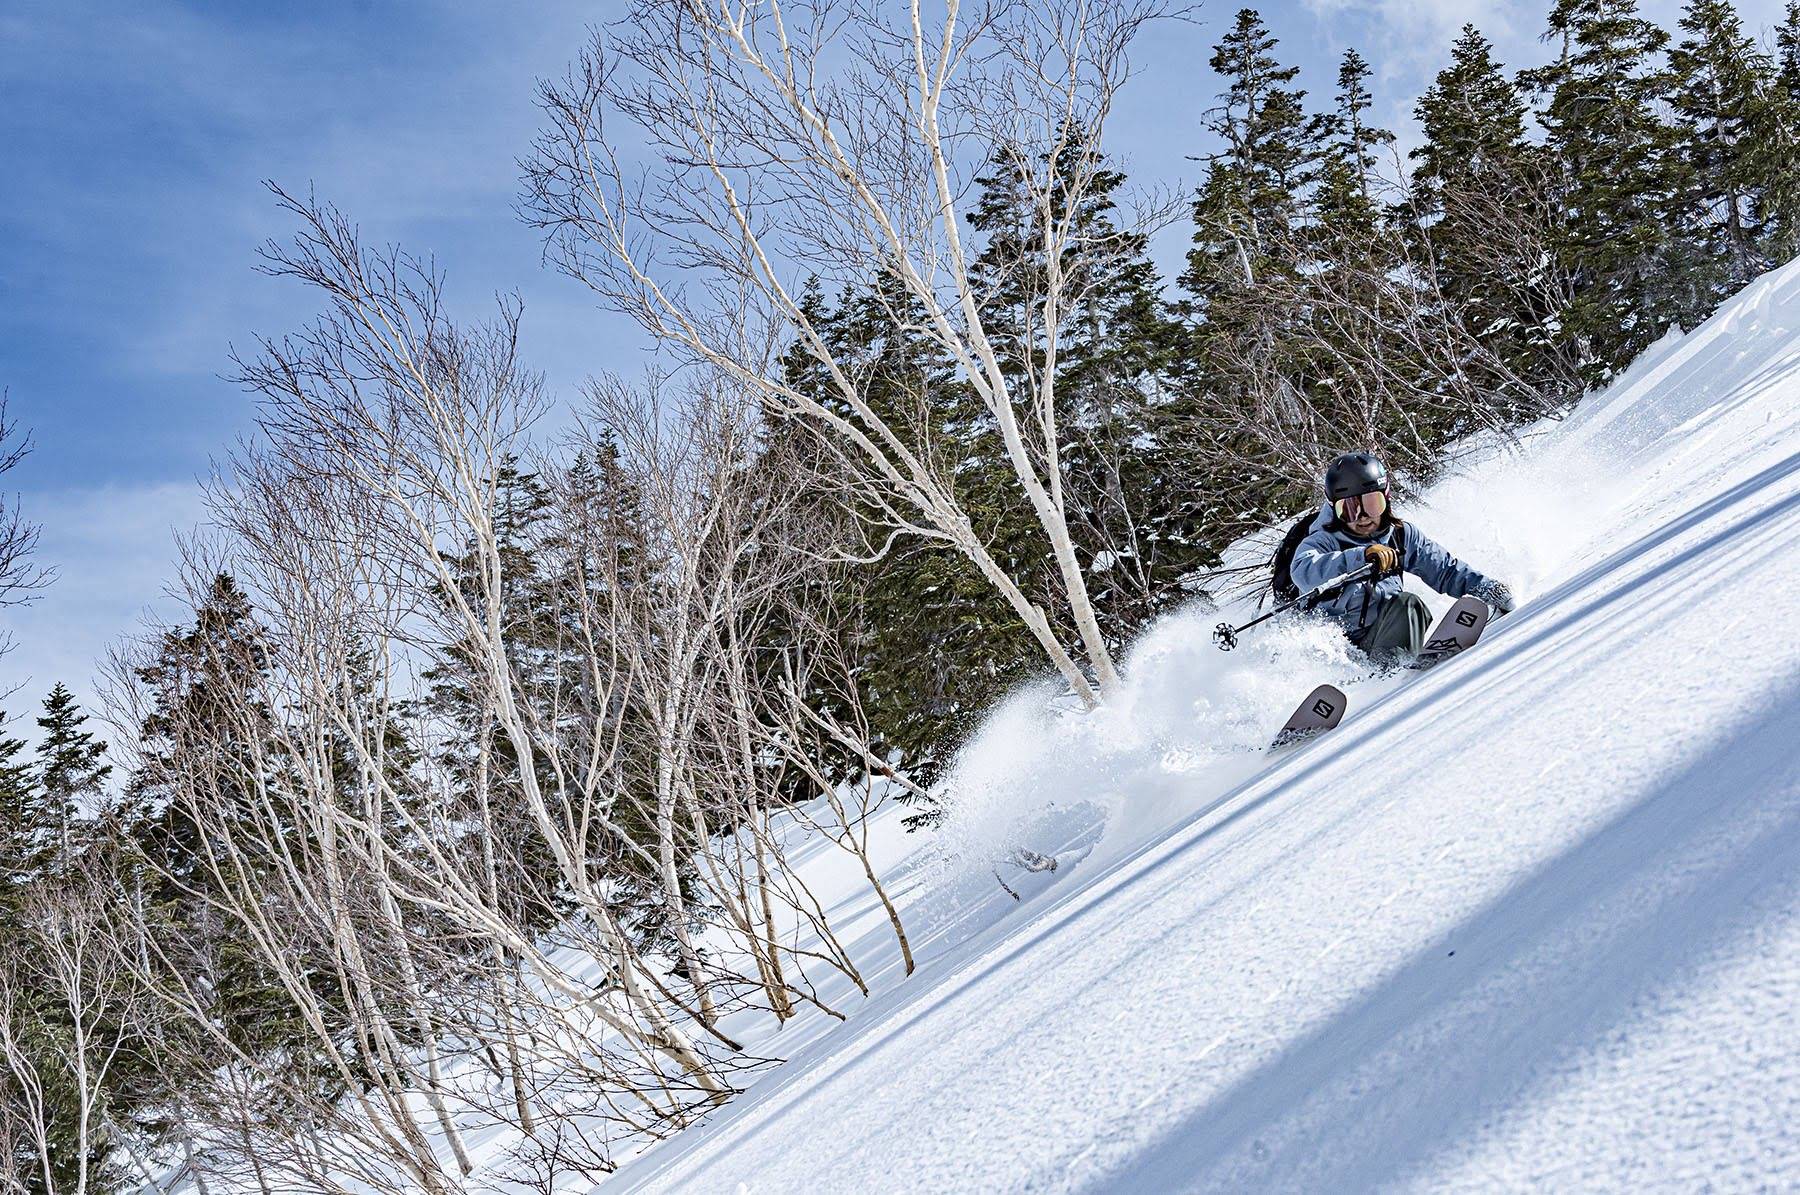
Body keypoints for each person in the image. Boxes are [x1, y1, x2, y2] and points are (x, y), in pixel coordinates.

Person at [1289, 451, 1515, 664]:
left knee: (1409, 605)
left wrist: (1487, 588)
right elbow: (1303, 571)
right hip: (1339, 654)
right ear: (1334, 510)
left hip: (1384, 638)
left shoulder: (1400, 535)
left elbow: (1444, 570)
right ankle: (1383, 675)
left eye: (1372, 504)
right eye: (1350, 509)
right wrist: (1361, 556)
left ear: (1386, 500)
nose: (1364, 517)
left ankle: (1397, 671)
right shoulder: (1323, 541)